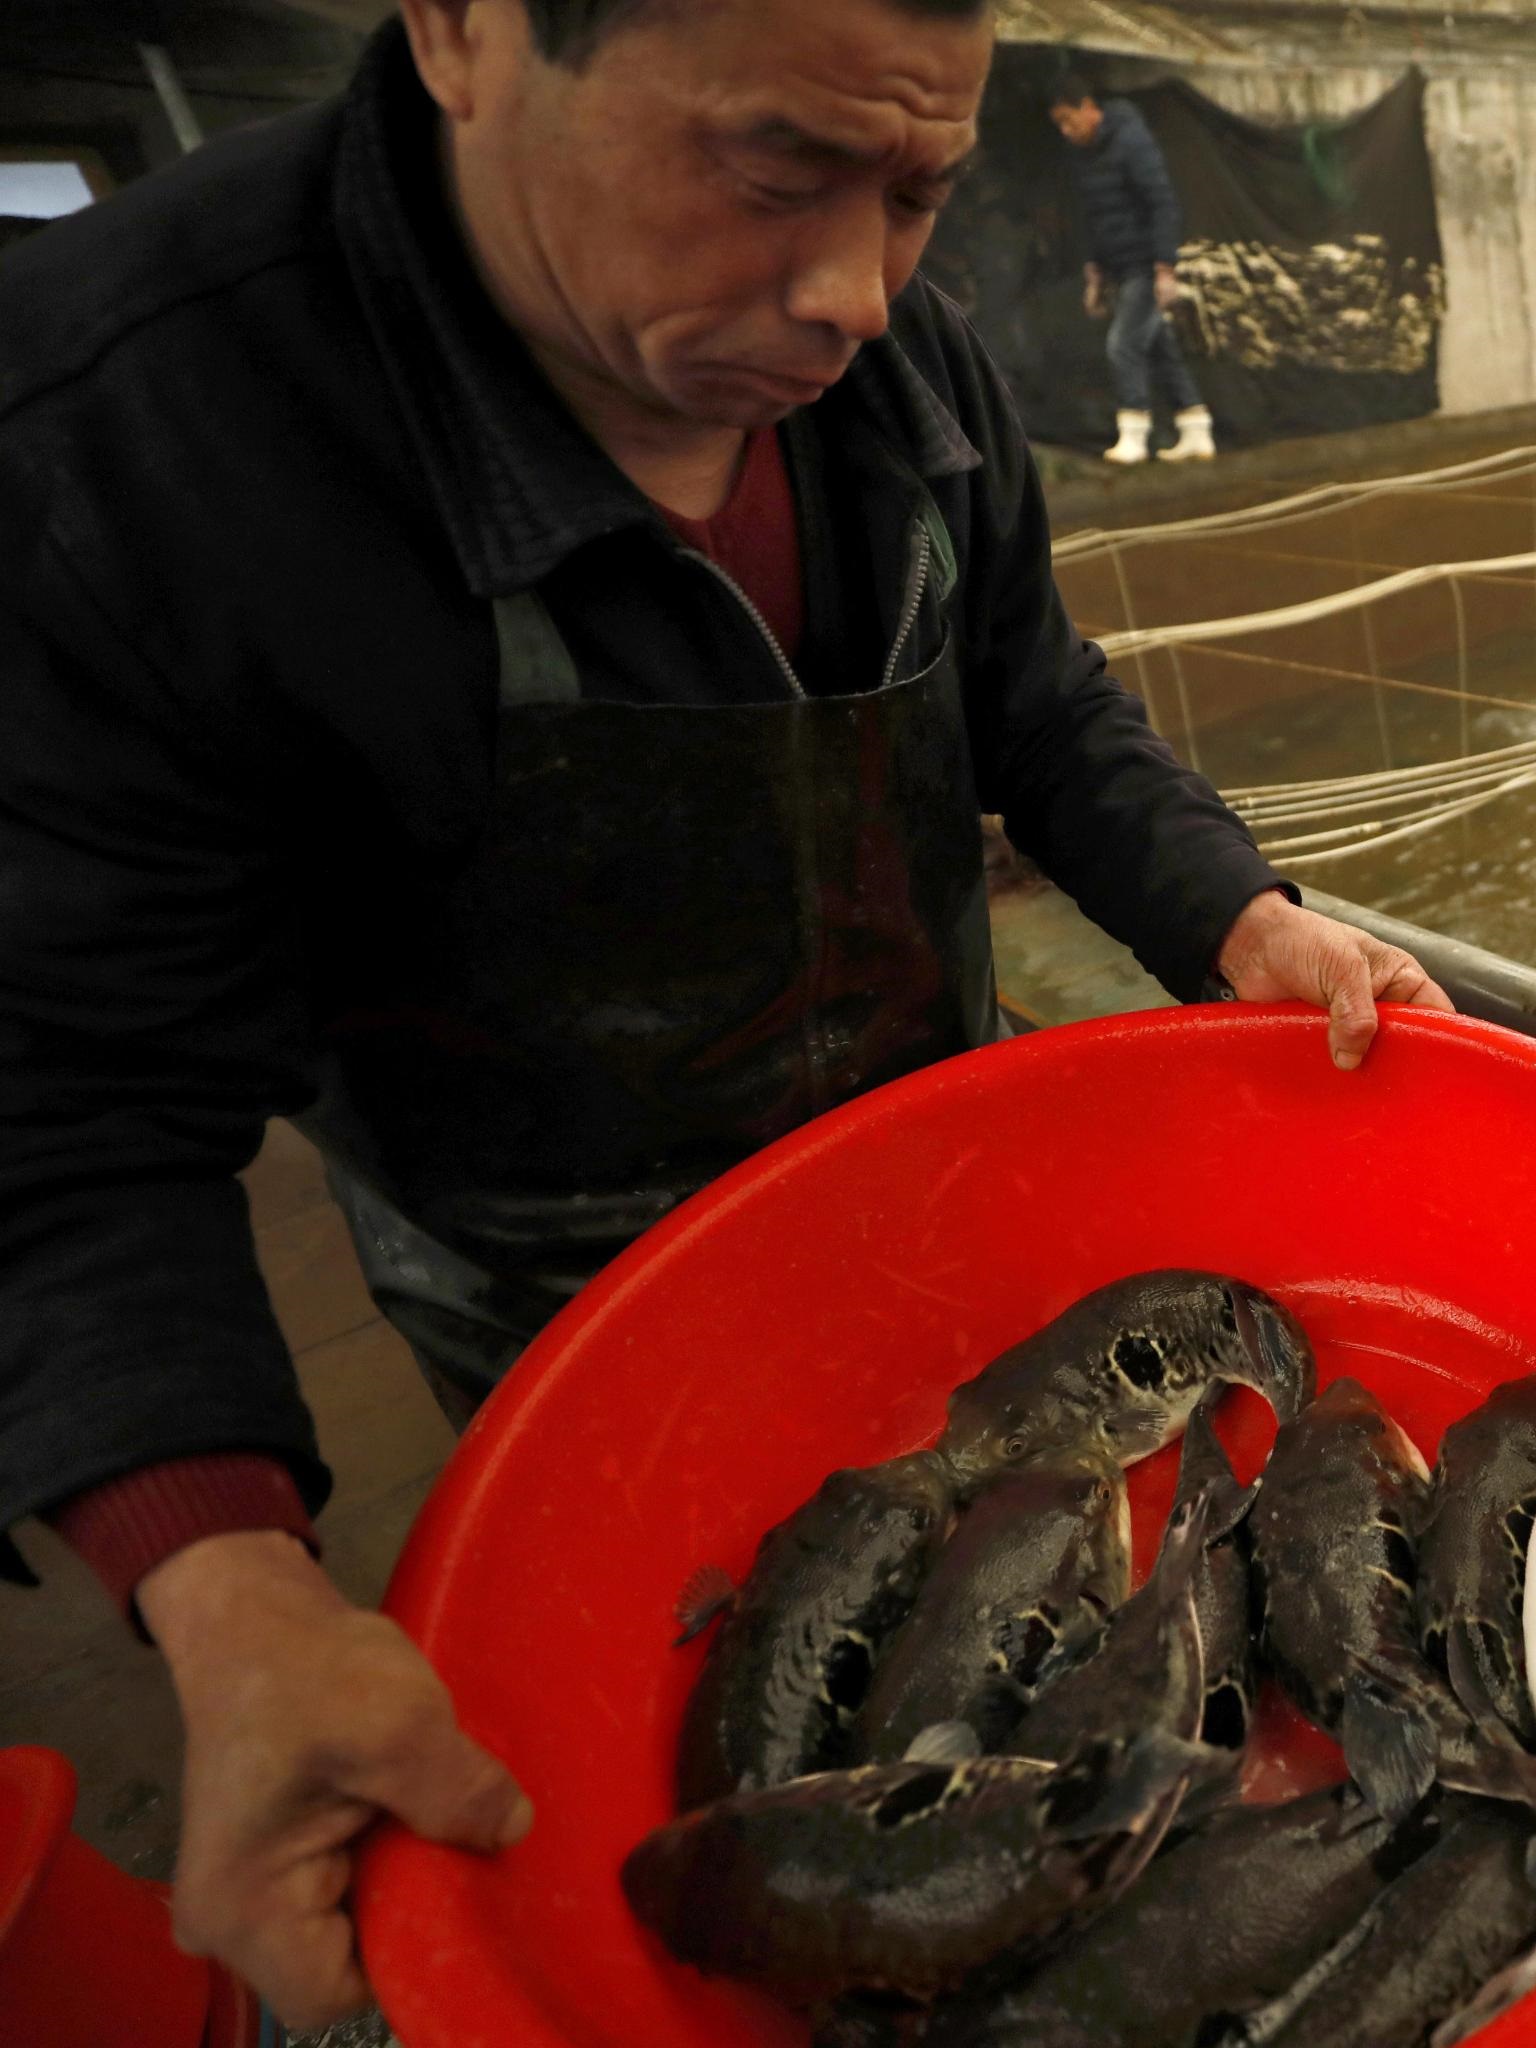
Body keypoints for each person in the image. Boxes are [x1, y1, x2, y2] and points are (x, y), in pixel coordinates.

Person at [0, 0, 1444, 2025]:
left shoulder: (898, 362)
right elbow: (66, 1103)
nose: (851, 290)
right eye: (773, 171)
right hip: (562, 1294)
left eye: (920, 192)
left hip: (940, 1197)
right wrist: (229, 1587)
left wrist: (1237, 912)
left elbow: (1032, 693)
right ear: (466, 29)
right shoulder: (125, 435)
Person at [1048, 73, 1210, 466]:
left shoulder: (1131, 140)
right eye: (1060, 125)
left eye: (1069, 120)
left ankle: (1134, 436)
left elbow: (1162, 203)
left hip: (1145, 266)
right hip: (1118, 267)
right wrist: (1095, 273)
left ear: (1089, 108)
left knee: (1123, 345)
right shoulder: (1084, 156)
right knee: (1159, 347)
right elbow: (1093, 217)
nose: (1066, 131)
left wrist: (1165, 269)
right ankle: (1196, 431)